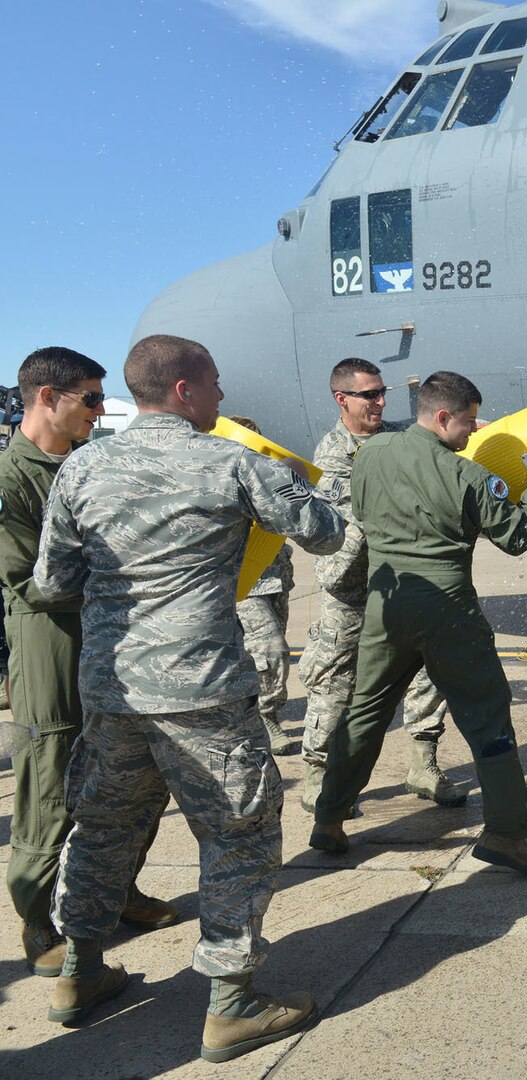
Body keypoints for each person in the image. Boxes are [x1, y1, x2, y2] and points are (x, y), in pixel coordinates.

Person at [34, 335, 345, 1061]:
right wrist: (299, 482)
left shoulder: (81, 468)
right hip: (202, 694)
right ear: (183, 390)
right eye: (213, 384)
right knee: (239, 834)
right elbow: (325, 534)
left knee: (103, 830)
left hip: (111, 694)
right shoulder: (231, 461)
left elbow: (53, 582)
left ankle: (78, 973)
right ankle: (231, 1003)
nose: (222, 398)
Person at [309, 371, 527, 876]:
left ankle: (329, 818)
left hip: (387, 606)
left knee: (365, 713)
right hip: (448, 611)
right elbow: (518, 536)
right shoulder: (467, 476)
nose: (472, 433)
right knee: (488, 720)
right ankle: (507, 835)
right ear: (443, 416)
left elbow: (361, 511)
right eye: (467, 423)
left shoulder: (370, 454)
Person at [0, 348, 178, 980]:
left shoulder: (84, 466)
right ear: (48, 397)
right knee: (50, 775)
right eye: (91, 400)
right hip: (49, 639)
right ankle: (38, 919)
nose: (101, 413)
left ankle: (116, 889)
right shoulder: (9, 477)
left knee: (136, 769)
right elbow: (30, 580)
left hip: (111, 632)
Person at [297, 358, 463, 812]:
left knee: (429, 670)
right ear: (342, 399)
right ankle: (317, 773)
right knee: (334, 682)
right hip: (351, 590)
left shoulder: (398, 437)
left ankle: (422, 764)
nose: (380, 401)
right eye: (369, 394)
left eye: (381, 391)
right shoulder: (331, 454)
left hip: (406, 580)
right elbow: (346, 529)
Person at [228, 417, 299, 757]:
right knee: (272, 650)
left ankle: (257, 712)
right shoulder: (224, 478)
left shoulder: (267, 475)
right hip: (245, 582)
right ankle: (265, 716)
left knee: (261, 655)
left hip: (275, 579)